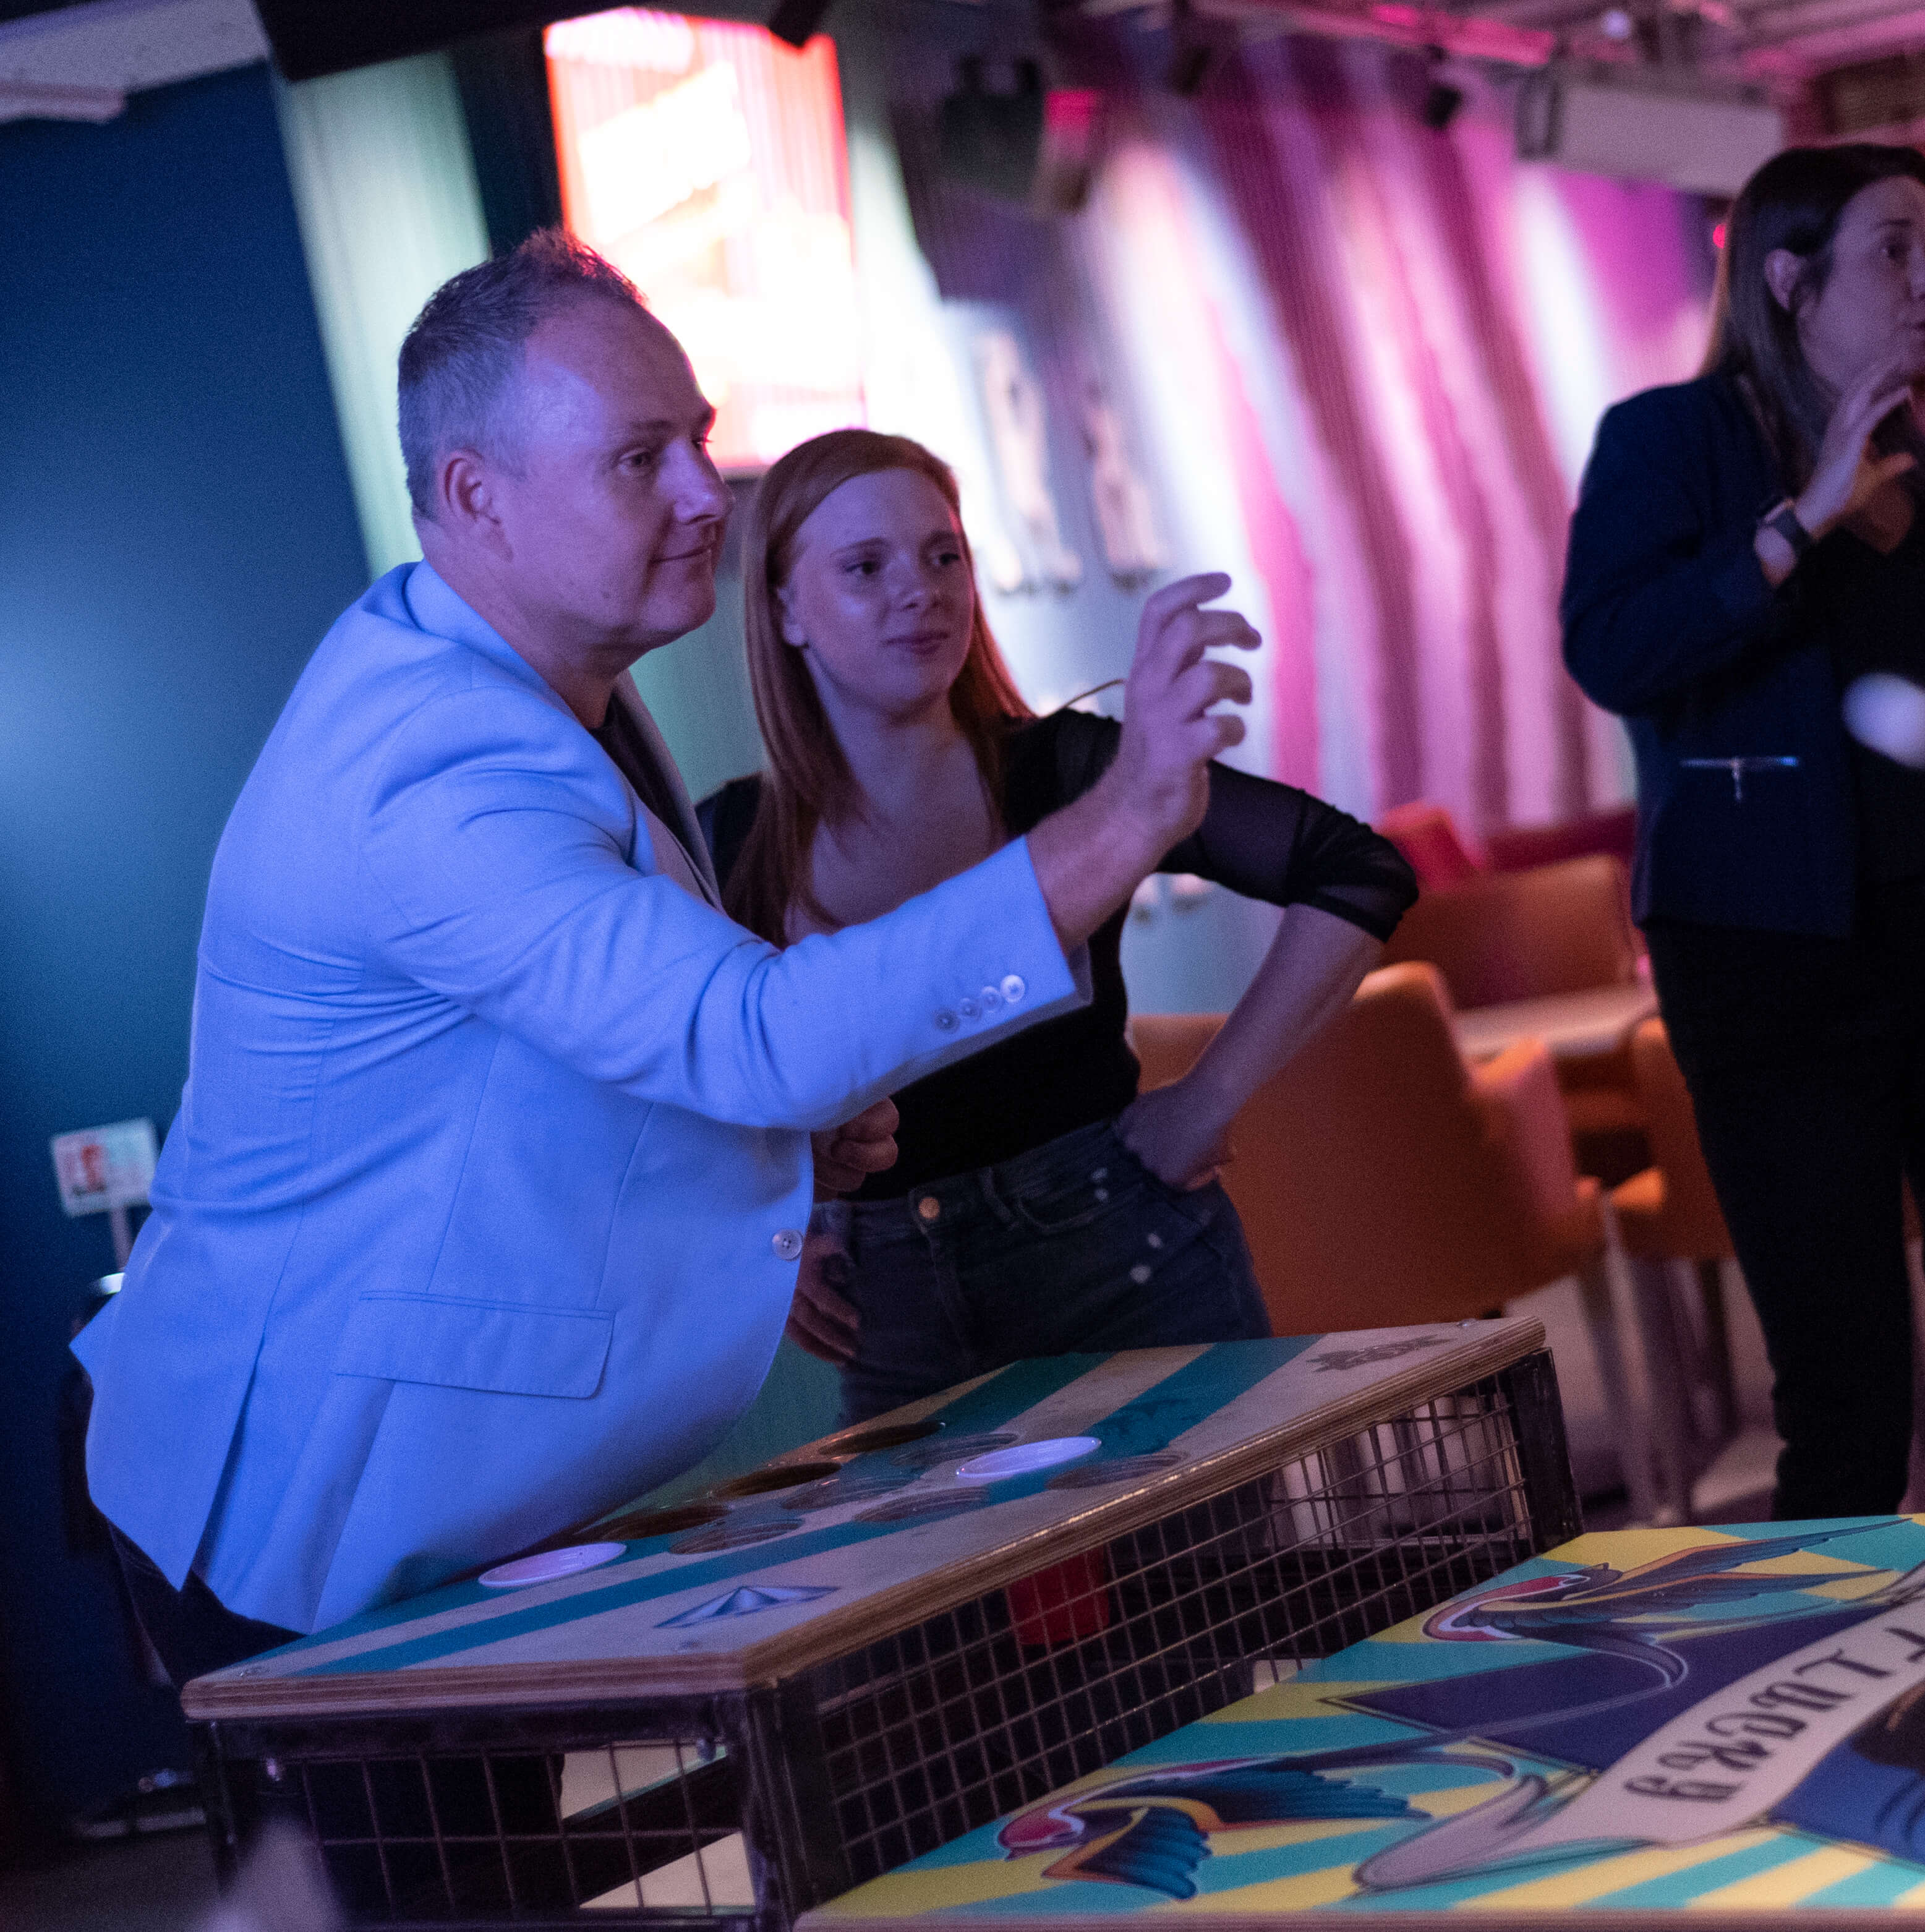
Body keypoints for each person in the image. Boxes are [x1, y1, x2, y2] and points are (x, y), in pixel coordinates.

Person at [71, 233, 1257, 1667]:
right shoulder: (429, 774)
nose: (709, 493)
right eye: (643, 460)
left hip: (413, 1490)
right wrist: (1118, 820)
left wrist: (770, 1153)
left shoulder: (531, 692)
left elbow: (549, 1074)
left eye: (697, 442)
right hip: (285, 1501)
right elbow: (752, 1036)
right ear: (475, 497)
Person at [1560, 143, 1925, 1520]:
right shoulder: (1672, 440)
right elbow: (1614, 648)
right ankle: (1850, 1706)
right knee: (1844, 1381)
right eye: (1895, 253)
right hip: (1771, 962)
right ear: (1790, 279)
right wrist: (1797, 524)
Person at [701, 430, 1417, 1421]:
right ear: (784, 608)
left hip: (1128, 1266)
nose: (921, 589)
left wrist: (1209, 1098)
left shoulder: (1064, 769)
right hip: (895, 1321)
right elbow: (697, 1073)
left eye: (942, 554)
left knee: (1219, 1578)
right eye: (867, 567)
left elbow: (1357, 870)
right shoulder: (729, 841)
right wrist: (774, 1229)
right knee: (949, 1582)